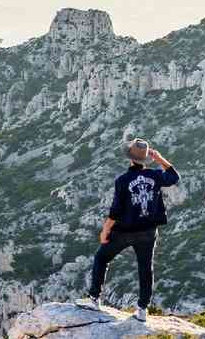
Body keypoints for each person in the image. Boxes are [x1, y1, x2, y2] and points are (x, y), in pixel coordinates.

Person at [75, 138, 179, 322]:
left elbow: (115, 211)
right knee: (145, 268)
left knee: (101, 258)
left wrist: (105, 231)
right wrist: (159, 158)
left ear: (130, 158)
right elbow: (174, 177)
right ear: (146, 159)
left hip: (124, 232)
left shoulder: (122, 180)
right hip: (148, 231)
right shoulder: (155, 175)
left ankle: (94, 299)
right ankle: (142, 310)